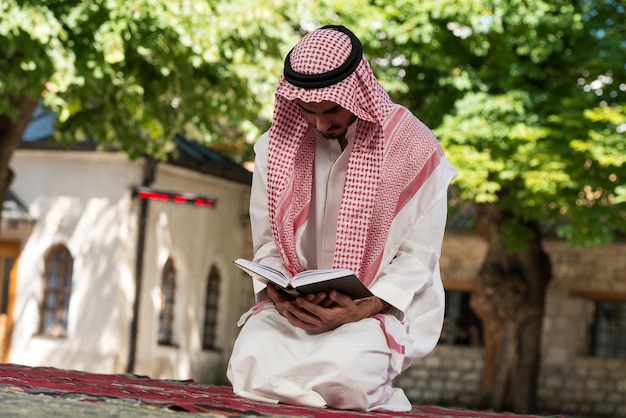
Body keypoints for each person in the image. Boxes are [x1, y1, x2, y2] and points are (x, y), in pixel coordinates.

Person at [227, 25, 457, 412]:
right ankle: (301, 385)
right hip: (299, 309)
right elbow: (267, 243)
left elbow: (418, 258)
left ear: (357, 91)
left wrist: (362, 309)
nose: (321, 124)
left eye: (332, 109)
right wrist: (280, 298)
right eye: (308, 111)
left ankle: (305, 386)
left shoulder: (413, 146)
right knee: (248, 363)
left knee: (347, 376)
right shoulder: (275, 147)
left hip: (372, 309)